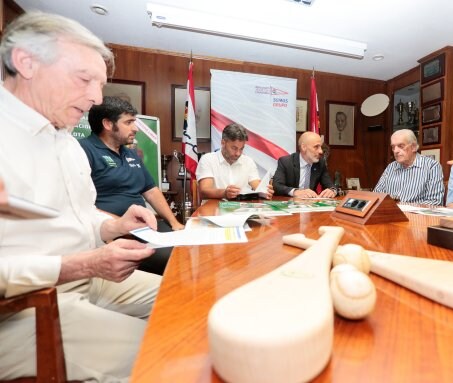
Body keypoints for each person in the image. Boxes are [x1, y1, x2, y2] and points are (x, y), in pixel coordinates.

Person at [0, 12, 161, 382]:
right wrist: (82, 265)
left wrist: (113, 226)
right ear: (26, 63)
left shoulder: (65, 141)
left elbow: (79, 215)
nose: (96, 98)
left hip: (86, 279)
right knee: (168, 352)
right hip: (22, 308)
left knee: (188, 303)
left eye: (99, 84)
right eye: (84, 79)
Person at [80, 96, 184, 275]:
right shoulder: (84, 150)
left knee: (190, 250)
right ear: (107, 124)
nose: (135, 128)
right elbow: (83, 206)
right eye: (128, 122)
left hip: (145, 227)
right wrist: (121, 224)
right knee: (175, 261)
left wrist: (175, 224)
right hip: (115, 233)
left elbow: (151, 191)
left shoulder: (130, 153)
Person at [196, 123, 274, 199]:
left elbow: (257, 185)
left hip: (241, 209)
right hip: (214, 208)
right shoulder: (208, 160)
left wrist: (264, 191)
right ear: (223, 143)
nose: (238, 153)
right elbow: (204, 191)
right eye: (234, 148)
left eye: (241, 149)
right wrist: (224, 193)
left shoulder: (248, 161)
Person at [373, 129, 444, 205]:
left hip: (415, 215)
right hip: (390, 214)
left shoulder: (431, 166)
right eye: (393, 147)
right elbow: (376, 195)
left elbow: (435, 202)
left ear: (413, 147)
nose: (395, 151)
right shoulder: (391, 167)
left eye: (401, 146)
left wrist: (402, 207)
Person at [273, 132, 336, 198]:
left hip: (311, 204)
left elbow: (330, 185)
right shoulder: (286, 162)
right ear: (303, 147)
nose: (321, 151)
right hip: (290, 203)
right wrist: (295, 192)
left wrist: (332, 190)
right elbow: (277, 186)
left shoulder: (320, 163)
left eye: (321, 147)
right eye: (316, 147)